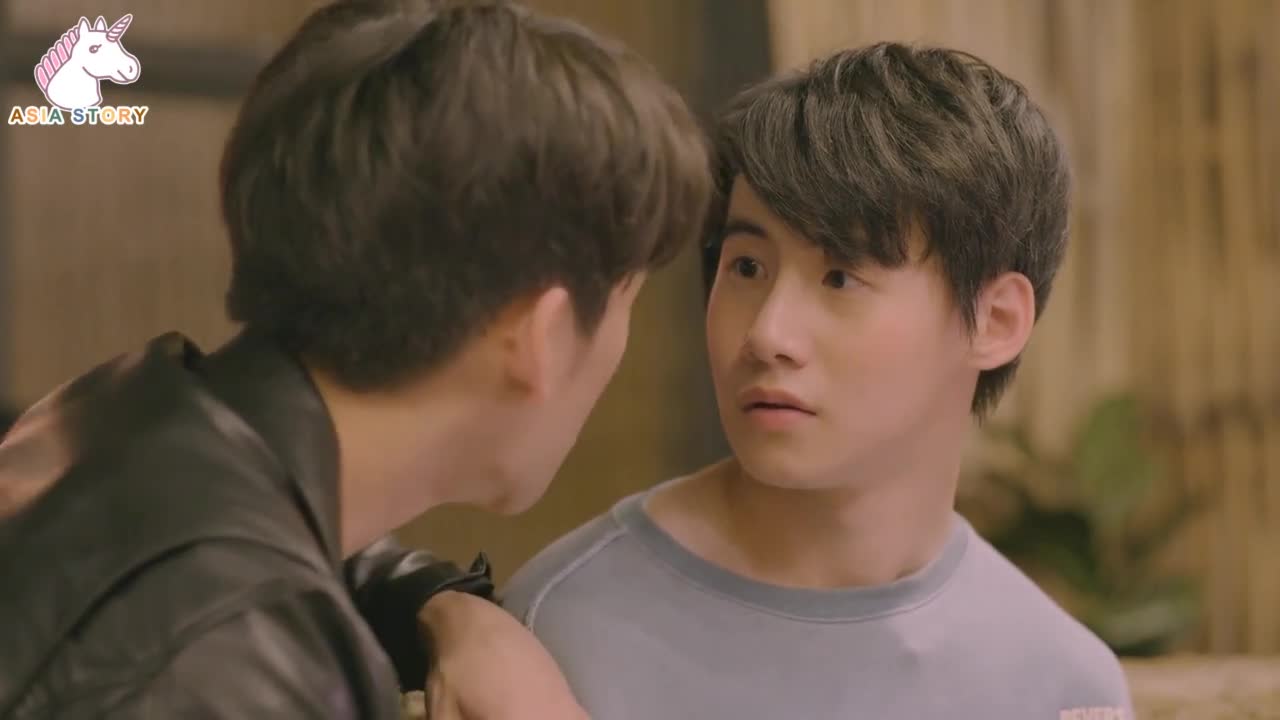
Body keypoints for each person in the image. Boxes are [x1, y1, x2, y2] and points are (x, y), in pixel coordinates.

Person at [0, 0, 710, 717]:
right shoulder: (224, 666)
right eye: (626, 296)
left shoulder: (127, 411)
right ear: (541, 335)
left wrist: (444, 608)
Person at [502, 42, 1136, 719]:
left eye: (839, 277)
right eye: (747, 267)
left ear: (995, 320)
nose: (767, 334)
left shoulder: (1060, 687)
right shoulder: (563, 629)